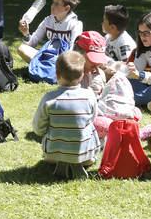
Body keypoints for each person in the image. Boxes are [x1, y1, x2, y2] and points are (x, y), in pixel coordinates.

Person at [32, 51, 102, 179]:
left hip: (53, 155)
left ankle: (62, 160)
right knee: (89, 127)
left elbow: (38, 128)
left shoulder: (49, 99)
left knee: (51, 139)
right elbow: (93, 118)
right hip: (84, 153)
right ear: (82, 75)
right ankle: (79, 161)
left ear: (57, 74)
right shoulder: (89, 95)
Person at [18, 0, 83, 63]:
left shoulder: (75, 24)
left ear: (67, 8)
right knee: (22, 48)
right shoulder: (47, 21)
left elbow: (73, 50)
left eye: (56, 4)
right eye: (53, 3)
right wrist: (26, 33)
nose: (52, 6)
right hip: (49, 56)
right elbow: (33, 43)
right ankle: (47, 67)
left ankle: (48, 68)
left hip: (64, 60)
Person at [94, 60, 141, 140]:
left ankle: (110, 135)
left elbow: (99, 105)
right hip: (128, 119)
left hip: (110, 120)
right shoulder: (126, 82)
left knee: (96, 121)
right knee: (137, 111)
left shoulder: (108, 82)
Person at [73, 30, 108, 97]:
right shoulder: (68, 75)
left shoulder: (99, 75)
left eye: (99, 60)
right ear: (78, 54)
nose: (96, 65)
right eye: (92, 60)